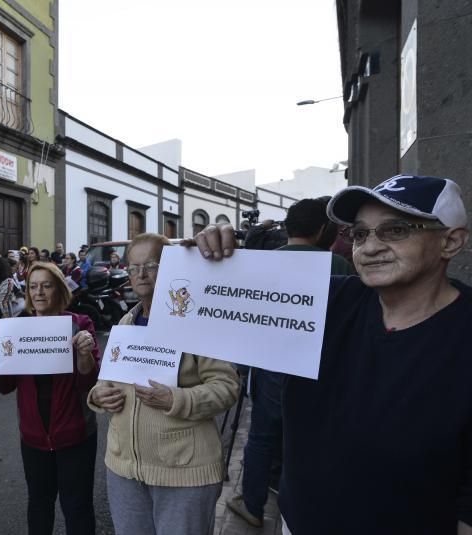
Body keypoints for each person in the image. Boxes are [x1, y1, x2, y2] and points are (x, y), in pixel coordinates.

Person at [192, 175, 472, 535]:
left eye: (396, 230)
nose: (370, 247)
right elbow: (202, 296)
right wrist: (203, 255)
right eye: (359, 233)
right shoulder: (321, 302)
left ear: (451, 241)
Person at [88, 233, 239, 535]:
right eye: (134, 267)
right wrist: (98, 395)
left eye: (151, 265)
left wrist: (176, 400)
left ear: (171, 267)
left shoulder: (197, 322)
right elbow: (105, 380)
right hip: (124, 470)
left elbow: (227, 386)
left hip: (183, 472)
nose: (141, 274)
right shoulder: (125, 324)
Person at [226, 198, 354, 528]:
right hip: (319, 368)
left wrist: (243, 367)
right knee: (306, 439)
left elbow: (246, 318)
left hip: (268, 366)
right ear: (323, 229)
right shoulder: (338, 265)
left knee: (261, 436)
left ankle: (253, 504)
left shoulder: (263, 263)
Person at [0, 262, 100, 535]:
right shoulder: (17, 329)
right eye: (33, 286)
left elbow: (88, 382)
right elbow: (5, 385)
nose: (39, 292)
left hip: (75, 435)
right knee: (39, 505)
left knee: (78, 506)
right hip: (34, 437)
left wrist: (83, 354)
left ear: (59, 289)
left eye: (46, 285)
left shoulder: (80, 324)